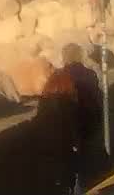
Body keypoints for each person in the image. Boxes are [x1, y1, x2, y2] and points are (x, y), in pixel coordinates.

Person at [39, 44, 104, 193]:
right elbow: (94, 101)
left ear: (64, 58)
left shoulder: (56, 78)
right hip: (84, 125)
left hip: (61, 129)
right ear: (80, 56)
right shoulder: (89, 74)